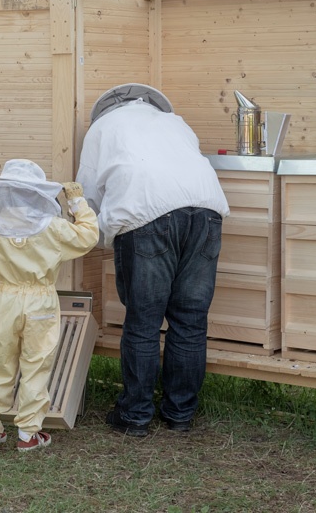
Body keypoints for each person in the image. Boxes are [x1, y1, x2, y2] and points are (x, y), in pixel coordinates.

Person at [75, 83, 230, 437]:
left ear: (106, 110)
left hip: (146, 216)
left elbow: (87, 199)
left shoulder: (101, 129)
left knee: (143, 321)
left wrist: (94, 238)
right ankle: (179, 415)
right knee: (190, 321)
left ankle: (136, 415)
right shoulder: (175, 122)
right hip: (207, 213)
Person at [0, 159, 99, 452]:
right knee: (37, 364)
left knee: (0, 362)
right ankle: (27, 435)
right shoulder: (53, 227)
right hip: (41, 301)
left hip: (6, 299)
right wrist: (77, 202)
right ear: (37, 193)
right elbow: (88, 236)